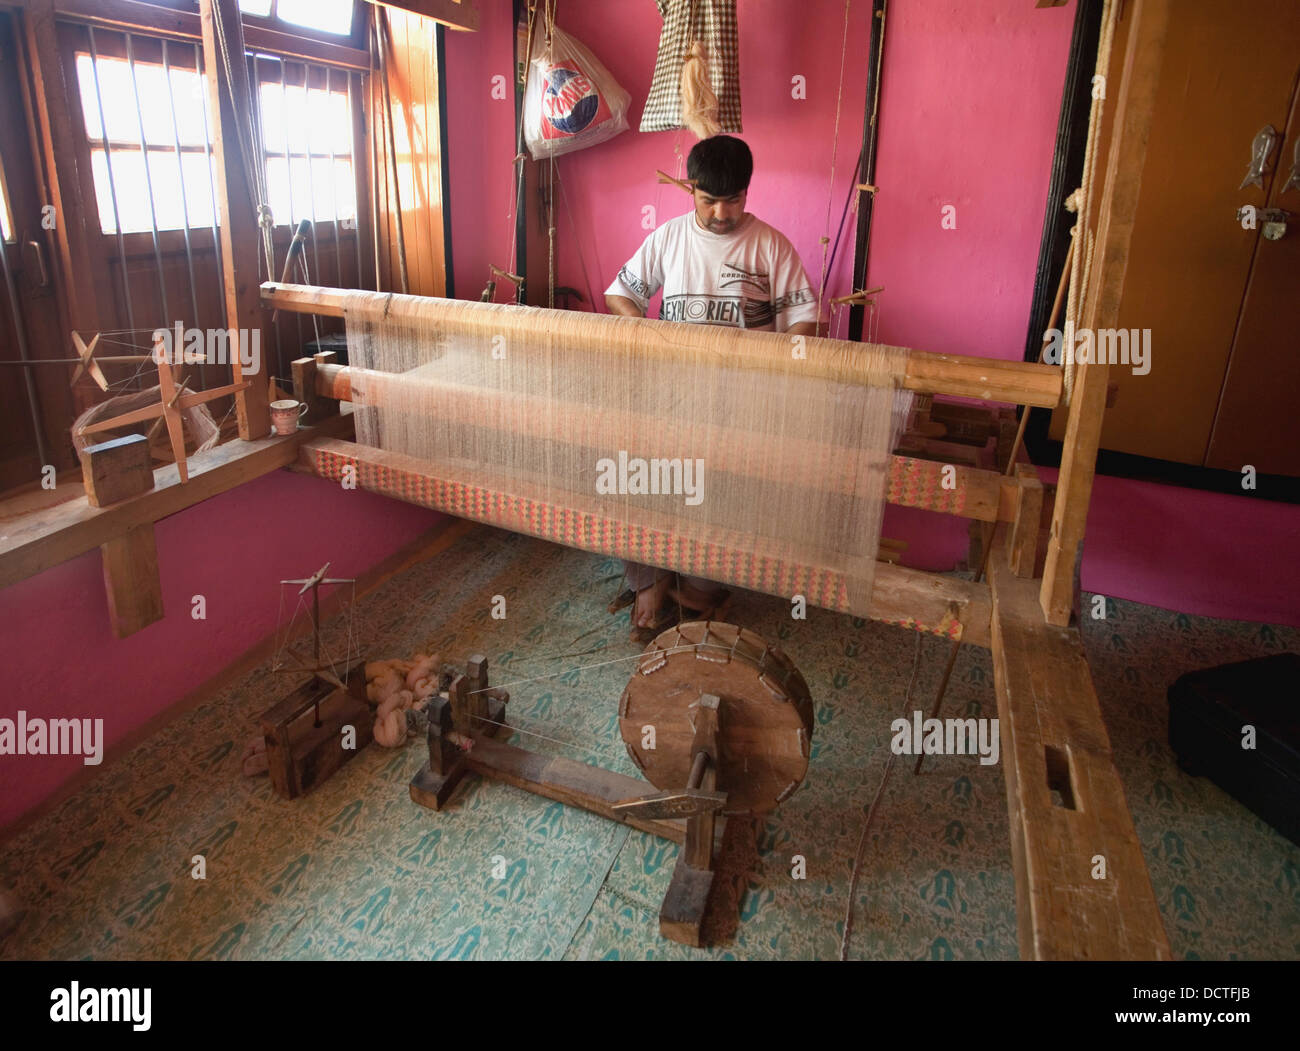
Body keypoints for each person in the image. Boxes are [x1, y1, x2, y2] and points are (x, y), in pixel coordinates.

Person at [604, 134, 818, 630]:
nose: (722, 213)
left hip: (738, 405)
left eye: (734, 200)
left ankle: (698, 588)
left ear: (747, 192)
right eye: (709, 200)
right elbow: (622, 293)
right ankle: (650, 583)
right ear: (689, 189)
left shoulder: (770, 245)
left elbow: (803, 320)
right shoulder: (668, 238)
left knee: (720, 494)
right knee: (644, 479)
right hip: (671, 395)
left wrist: (781, 369)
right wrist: (647, 336)